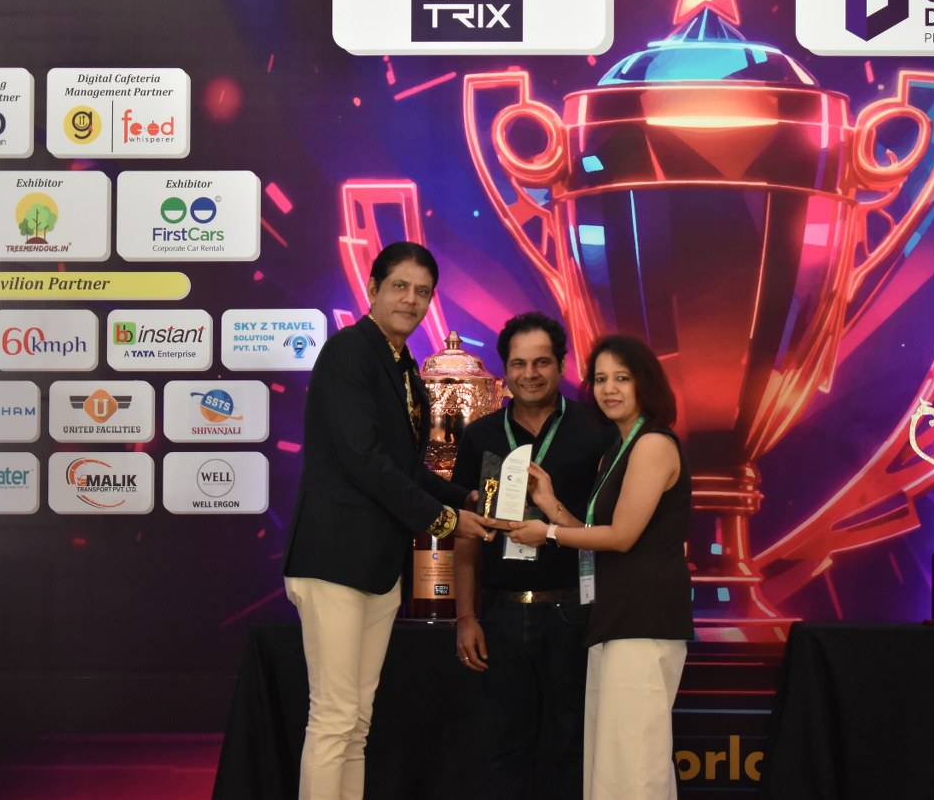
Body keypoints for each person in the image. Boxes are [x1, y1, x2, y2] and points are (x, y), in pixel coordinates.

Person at [281, 241, 508, 800]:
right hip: (334, 560)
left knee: (357, 721)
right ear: (373, 289)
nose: (411, 300)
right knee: (334, 717)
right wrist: (446, 520)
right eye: (400, 287)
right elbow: (363, 460)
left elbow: (406, 467)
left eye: (422, 291)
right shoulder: (349, 352)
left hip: (378, 566)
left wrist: (466, 498)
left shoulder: (404, 366)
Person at [509, 334, 693, 800]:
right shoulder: (618, 448)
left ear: (645, 383)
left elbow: (622, 536)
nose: (609, 389)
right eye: (600, 379)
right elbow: (598, 535)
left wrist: (548, 533)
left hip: (643, 620)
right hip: (614, 618)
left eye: (622, 378)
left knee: (635, 765)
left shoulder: (653, 444)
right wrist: (551, 506)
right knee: (611, 764)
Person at [451, 312, 616, 800]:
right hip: (500, 614)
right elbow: (467, 535)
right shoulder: (481, 436)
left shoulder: (596, 430)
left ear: (562, 365)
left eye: (542, 362)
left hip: (574, 611)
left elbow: (611, 530)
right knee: (506, 747)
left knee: (573, 746)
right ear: (504, 370)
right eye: (519, 364)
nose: (530, 374)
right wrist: (466, 617)